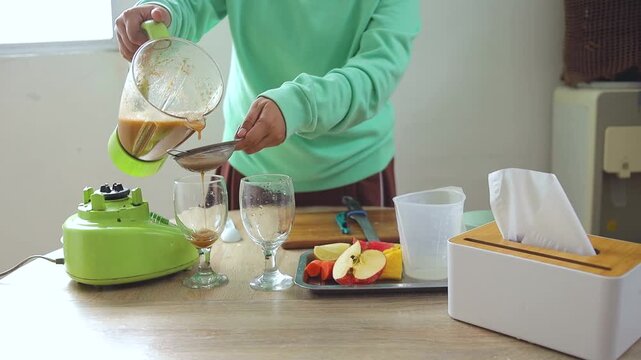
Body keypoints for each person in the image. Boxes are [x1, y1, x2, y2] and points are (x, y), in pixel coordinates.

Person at [115, 0, 420, 210]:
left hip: (351, 173)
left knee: (357, 302)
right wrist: (163, 12)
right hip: (248, 169)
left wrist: (300, 105)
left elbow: (376, 73)